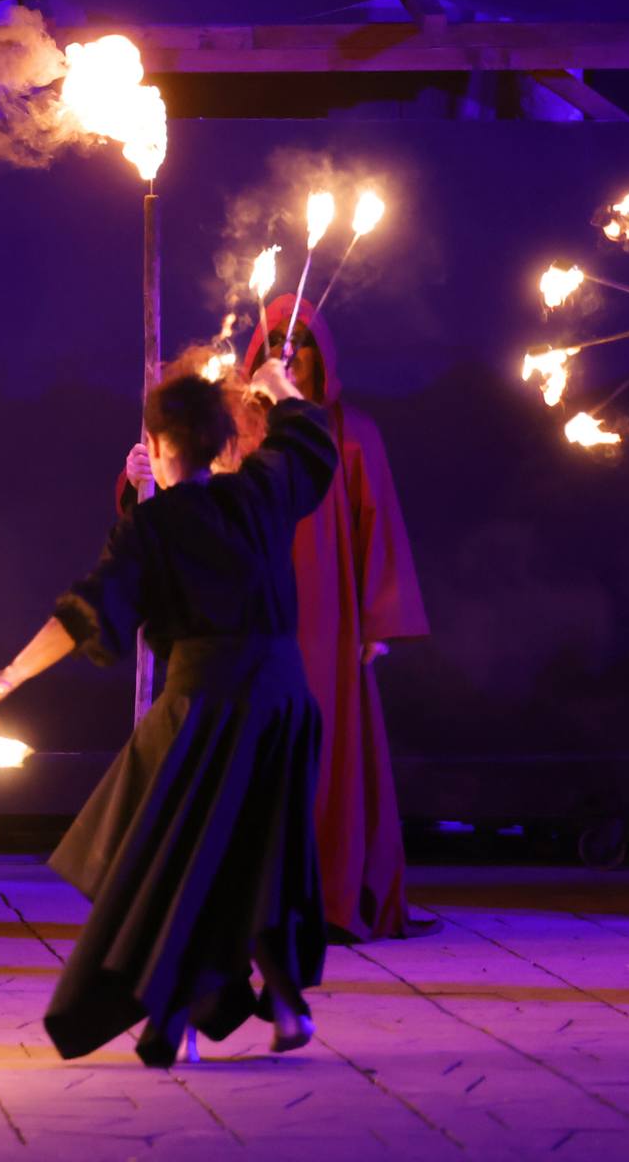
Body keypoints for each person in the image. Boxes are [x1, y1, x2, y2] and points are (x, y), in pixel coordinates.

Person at [0, 356, 338, 1067]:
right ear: (223, 442)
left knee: (173, 855)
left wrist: (6, 676)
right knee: (257, 851)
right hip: (285, 704)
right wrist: (281, 389)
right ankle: (284, 1005)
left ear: (158, 445)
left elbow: (85, 614)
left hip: (208, 710)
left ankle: (175, 1018)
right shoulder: (258, 493)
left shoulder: (154, 527)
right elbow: (306, 441)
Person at [241, 295, 432, 942]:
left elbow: (377, 521)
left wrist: (377, 622)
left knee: (329, 748)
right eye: (275, 345)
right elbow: (191, 502)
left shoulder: (351, 432)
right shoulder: (236, 432)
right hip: (254, 616)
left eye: (300, 345)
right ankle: (254, 902)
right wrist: (138, 483)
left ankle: (330, 895)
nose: (288, 356)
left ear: (322, 356)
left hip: (328, 622)